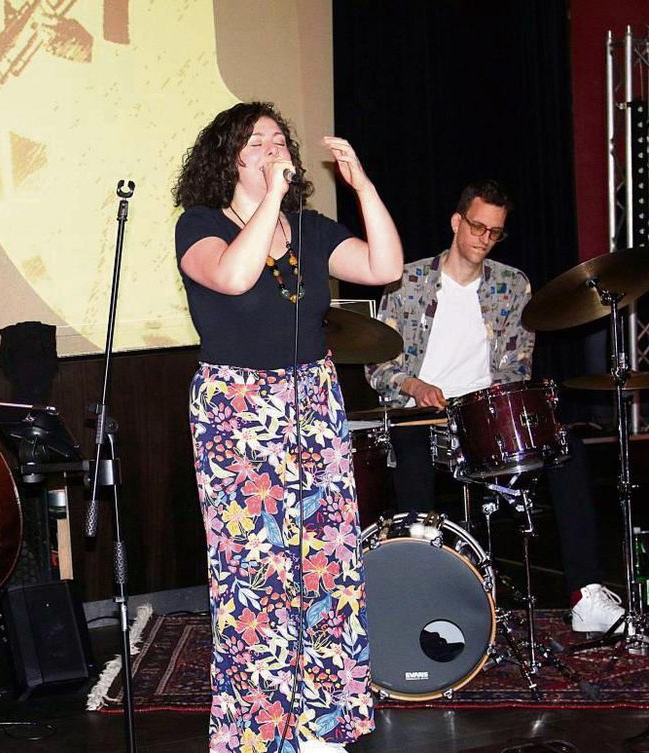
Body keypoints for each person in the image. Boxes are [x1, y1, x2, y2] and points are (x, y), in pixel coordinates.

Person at [174, 101, 403, 753]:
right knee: (257, 574)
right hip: (239, 414)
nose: (274, 146)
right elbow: (235, 274)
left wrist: (363, 187)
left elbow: (385, 266)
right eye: (257, 140)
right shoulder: (199, 226)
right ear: (231, 159)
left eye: (280, 137)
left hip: (313, 399)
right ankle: (259, 733)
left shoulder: (310, 228)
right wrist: (271, 200)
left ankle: (322, 720)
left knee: (326, 564)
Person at [365, 178, 624, 634]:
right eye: (477, 227)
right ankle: (421, 598)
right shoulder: (406, 281)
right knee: (410, 450)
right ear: (456, 222)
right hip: (421, 415)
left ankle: (587, 594)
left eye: (495, 232)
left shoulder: (512, 285)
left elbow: (516, 366)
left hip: (484, 417)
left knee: (567, 449)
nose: (484, 239)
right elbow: (378, 365)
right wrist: (415, 384)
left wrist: (484, 403)